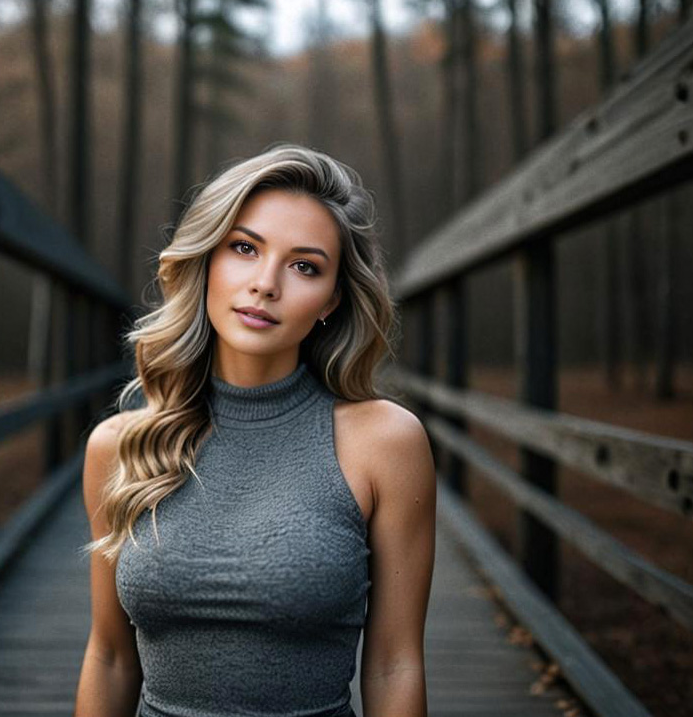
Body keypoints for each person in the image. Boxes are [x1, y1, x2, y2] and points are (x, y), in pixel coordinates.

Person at [73, 142, 436, 717]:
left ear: (330, 301)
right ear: (206, 261)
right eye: (244, 248)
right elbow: (111, 657)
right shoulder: (121, 446)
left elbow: (395, 664)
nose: (266, 283)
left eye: (304, 266)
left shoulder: (384, 442)